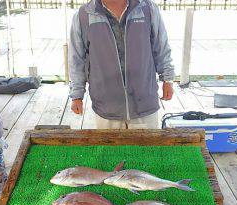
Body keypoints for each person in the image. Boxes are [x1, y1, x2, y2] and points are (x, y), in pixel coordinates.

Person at [69, 0, 175, 129]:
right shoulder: (84, 15)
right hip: (106, 107)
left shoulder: (148, 9)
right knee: (111, 149)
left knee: (147, 149)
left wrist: (167, 79)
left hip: (144, 103)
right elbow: (77, 59)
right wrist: (77, 95)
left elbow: (161, 46)